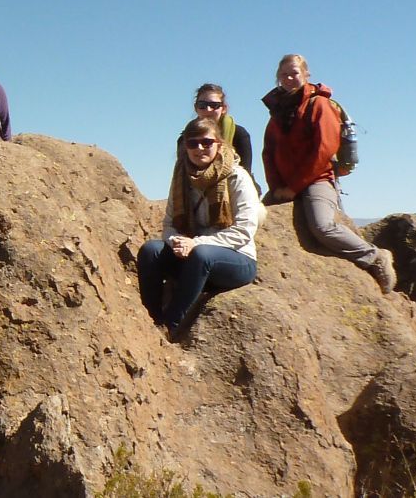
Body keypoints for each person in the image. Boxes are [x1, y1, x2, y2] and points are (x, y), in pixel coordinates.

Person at [261, 54, 395, 292]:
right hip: (285, 184)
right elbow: (268, 153)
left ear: (306, 75)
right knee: (256, 218)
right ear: (278, 78)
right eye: (285, 75)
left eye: (294, 73)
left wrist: (294, 187)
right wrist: (276, 188)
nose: (290, 78)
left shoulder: (318, 104)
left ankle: (374, 256)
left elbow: (324, 149)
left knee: (322, 226)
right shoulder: (277, 112)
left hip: (317, 179)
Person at [137, 117, 261, 340]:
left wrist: (195, 243)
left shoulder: (237, 177)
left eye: (206, 142)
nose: (199, 148)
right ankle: (150, 318)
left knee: (202, 255)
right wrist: (176, 241)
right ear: (185, 146)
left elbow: (244, 230)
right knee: (150, 251)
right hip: (192, 256)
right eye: (192, 143)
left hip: (236, 259)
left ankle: (170, 325)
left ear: (219, 144)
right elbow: (169, 224)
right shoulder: (182, 178)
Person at [181, 83, 255, 182]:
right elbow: (182, 174)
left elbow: (245, 173)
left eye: (214, 105)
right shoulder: (186, 137)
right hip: (194, 190)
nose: (208, 110)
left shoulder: (239, 135)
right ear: (196, 108)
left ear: (223, 108)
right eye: (202, 105)